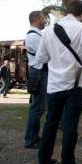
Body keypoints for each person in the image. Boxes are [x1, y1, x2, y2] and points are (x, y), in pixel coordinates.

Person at [35, 0, 82, 164]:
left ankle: (44, 162)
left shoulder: (48, 31)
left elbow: (40, 58)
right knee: (70, 126)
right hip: (75, 85)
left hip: (54, 86)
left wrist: (56, 60)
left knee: (50, 124)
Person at [24, 10, 48, 149]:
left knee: (38, 107)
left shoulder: (37, 35)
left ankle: (34, 137)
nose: (45, 21)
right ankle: (30, 140)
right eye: (44, 18)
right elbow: (45, 55)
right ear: (37, 19)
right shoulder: (33, 36)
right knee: (37, 108)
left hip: (39, 73)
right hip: (38, 73)